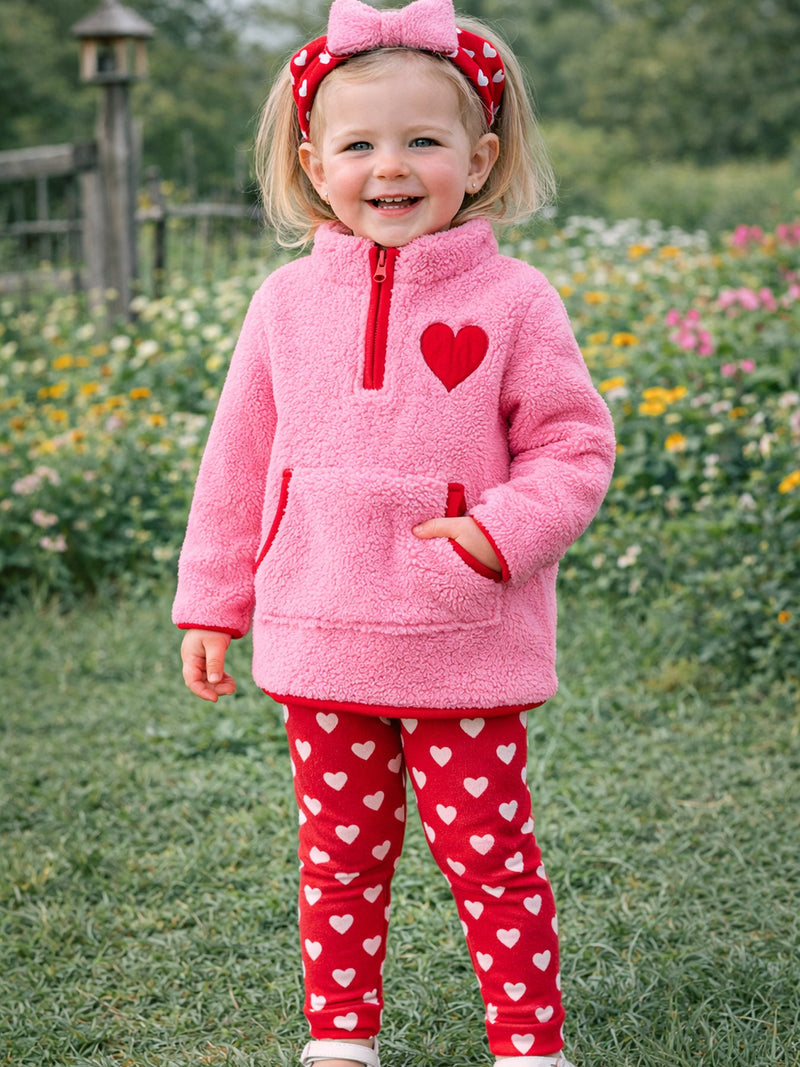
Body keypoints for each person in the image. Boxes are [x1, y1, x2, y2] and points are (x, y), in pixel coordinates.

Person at [173, 0, 616, 1064]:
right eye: (359, 145)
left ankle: (528, 1043)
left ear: (479, 158)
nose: (391, 168)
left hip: (461, 637)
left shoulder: (515, 301)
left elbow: (573, 447)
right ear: (312, 163)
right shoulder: (283, 305)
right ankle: (340, 1040)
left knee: (491, 858)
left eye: (422, 140)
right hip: (319, 634)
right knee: (337, 858)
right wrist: (212, 601)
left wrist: (490, 538)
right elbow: (236, 461)